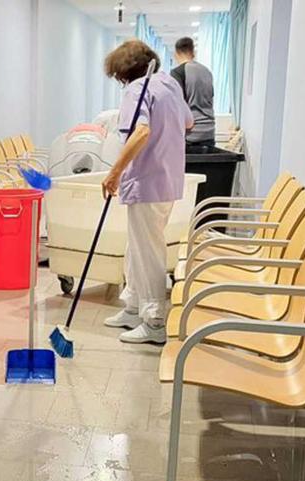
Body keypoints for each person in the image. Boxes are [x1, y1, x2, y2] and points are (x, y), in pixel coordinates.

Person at [100, 40, 193, 344]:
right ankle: (133, 305)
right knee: (138, 247)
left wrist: (114, 173)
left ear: (124, 72)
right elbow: (188, 122)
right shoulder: (169, 84)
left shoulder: (136, 90)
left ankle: (154, 320)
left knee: (148, 252)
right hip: (166, 181)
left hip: (147, 181)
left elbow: (141, 131)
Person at [170, 37, 217, 150]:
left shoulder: (177, 72)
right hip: (209, 134)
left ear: (176, 53)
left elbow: (177, 105)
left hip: (190, 136)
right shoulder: (207, 71)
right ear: (193, 52)